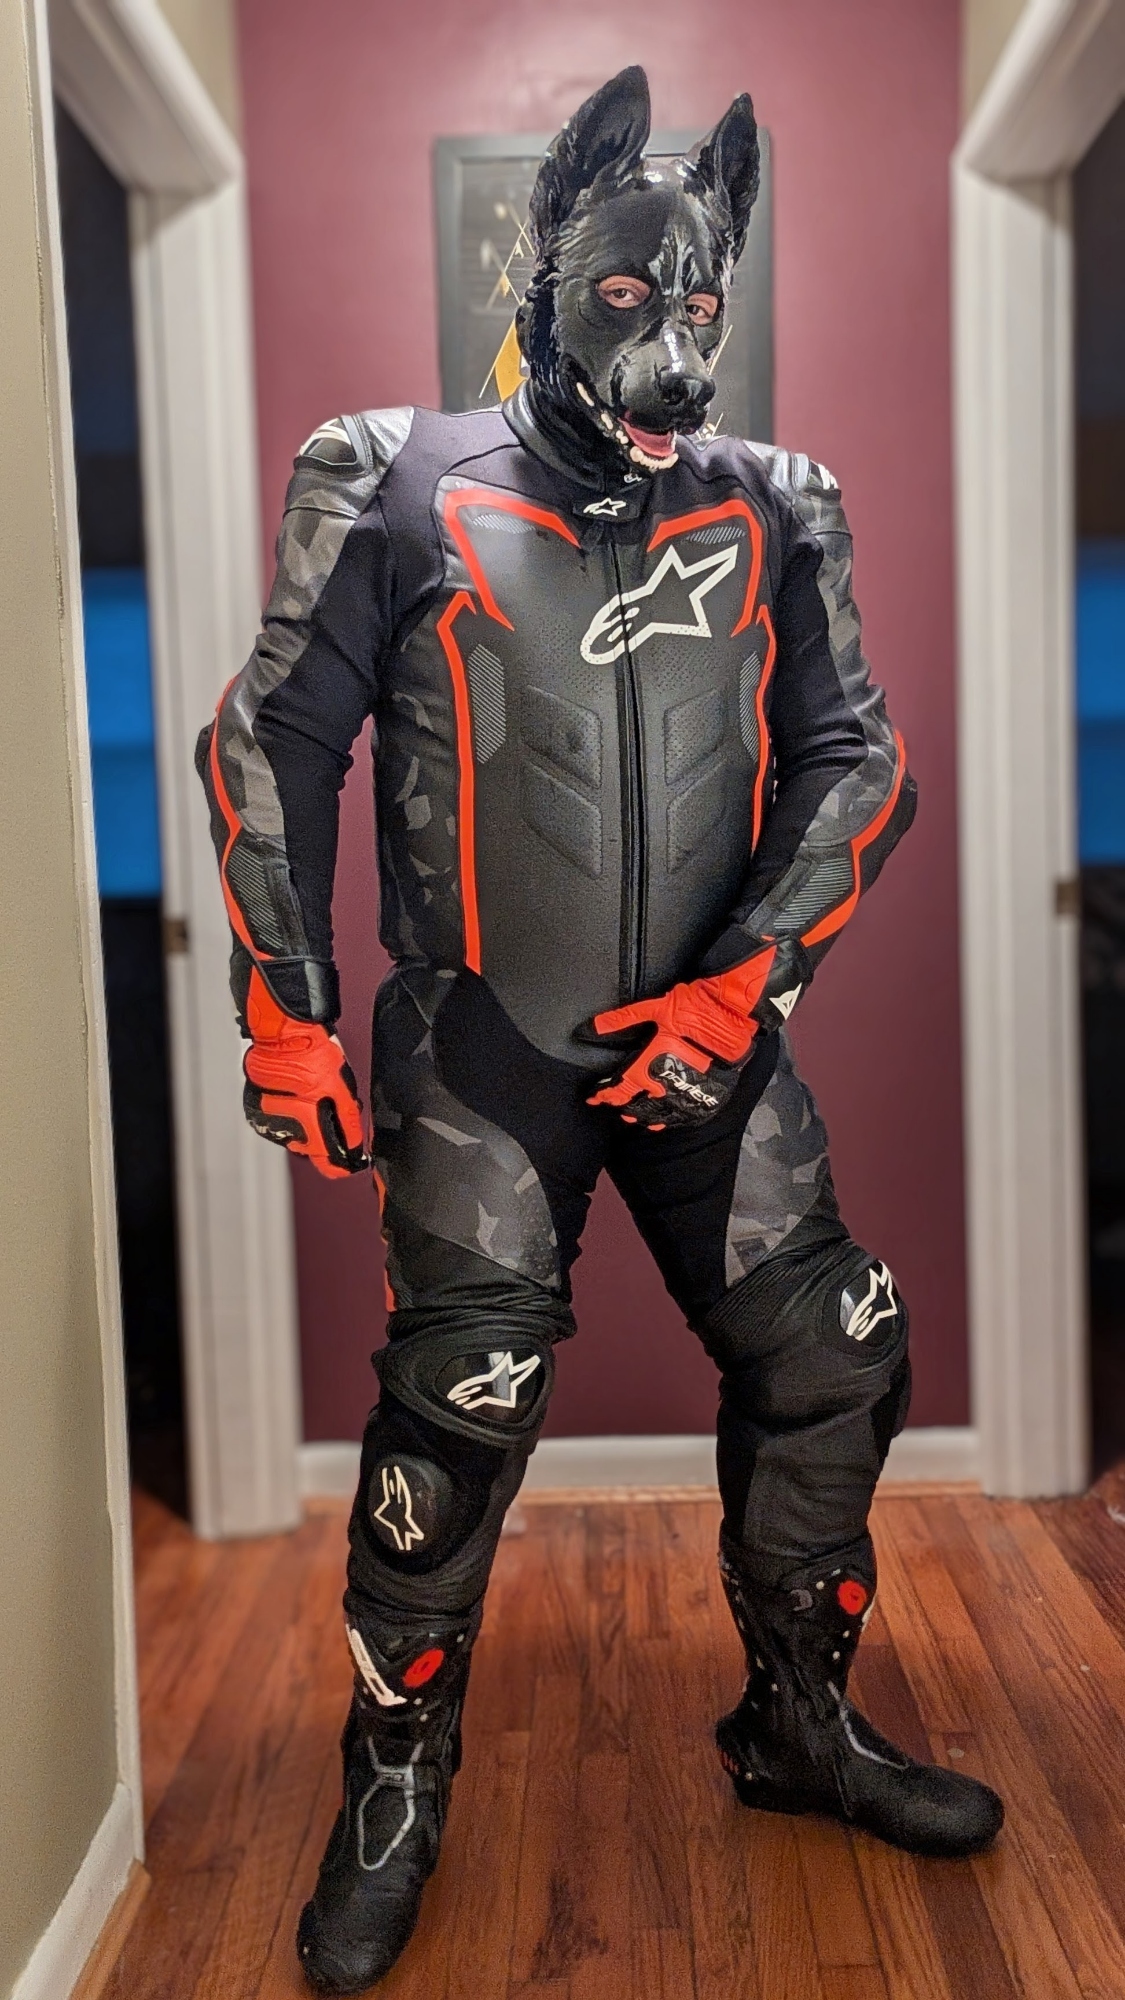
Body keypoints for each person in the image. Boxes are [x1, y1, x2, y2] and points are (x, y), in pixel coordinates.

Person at [198, 66, 1003, 1996]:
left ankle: (796, 1726)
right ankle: (392, 1790)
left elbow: (860, 762)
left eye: (698, 302)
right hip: (484, 1055)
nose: (671, 343)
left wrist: (747, 984)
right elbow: (271, 745)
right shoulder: (388, 474)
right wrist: (287, 1015)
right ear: (548, 268)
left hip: (707, 1050)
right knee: (459, 1407)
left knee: (835, 1355)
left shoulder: (776, 502)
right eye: (631, 296)